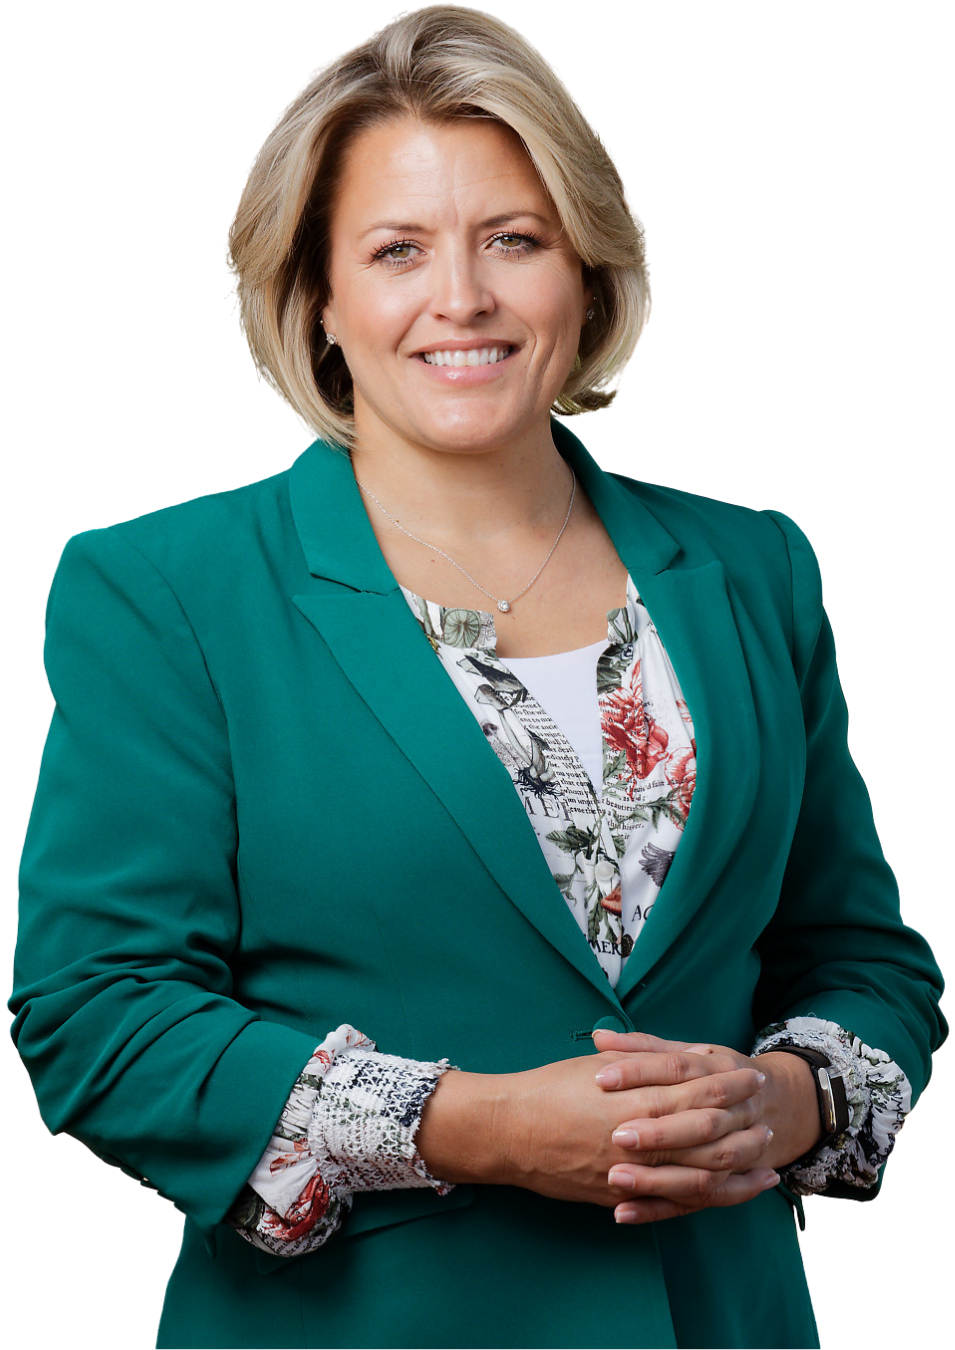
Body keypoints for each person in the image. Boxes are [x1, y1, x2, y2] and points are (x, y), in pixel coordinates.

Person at [9, 7, 945, 1348]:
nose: (463, 297)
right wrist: (480, 1125)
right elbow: (94, 1017)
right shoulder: (165, 589)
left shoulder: (756, 570)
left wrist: (782, 1099)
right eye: (398, 250)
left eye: (513, 239)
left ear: (584, 268)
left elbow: (864, 954)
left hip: (724, 1317)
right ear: (318, 295)